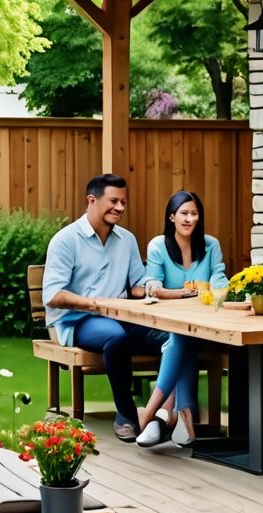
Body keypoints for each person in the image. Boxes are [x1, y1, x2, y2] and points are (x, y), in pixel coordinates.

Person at [42, 173, 171, 442]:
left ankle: (169, 416)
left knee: (173, 337)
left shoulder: (127, 240)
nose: (120, 208)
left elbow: (137, 283)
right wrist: (94, 303)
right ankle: (126, 414)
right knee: (116, 337)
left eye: (124, 202)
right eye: (114, 201)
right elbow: (53, 294)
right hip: (77, 321)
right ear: (92, 200)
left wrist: (151, 288)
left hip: (122, 317)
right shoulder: (66, 240)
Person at [135, 191, 229, 448]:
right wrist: (188, 292)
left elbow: (219, 278)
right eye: (184, 213)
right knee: (180, 336)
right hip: (164, 327)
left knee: (184, 338)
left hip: (205, 326)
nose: (189, 219)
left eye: (194, 213)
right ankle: (179, 413)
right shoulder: (158, 245)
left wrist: (224, 290)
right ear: (172, 217)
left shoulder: (211, 245)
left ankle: (157, 413)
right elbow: (153, 285)